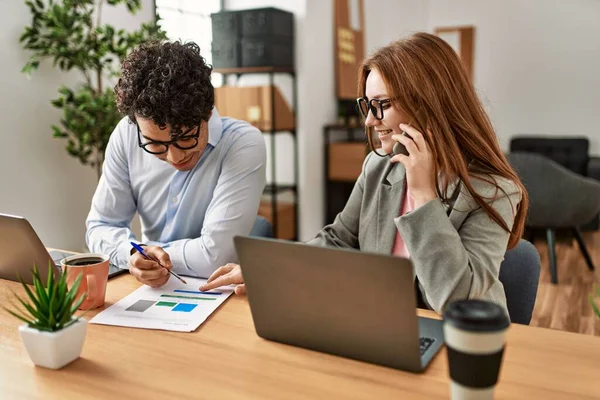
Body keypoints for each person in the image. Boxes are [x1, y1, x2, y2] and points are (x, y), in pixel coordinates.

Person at [200, 32, 529, 314]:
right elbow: (339, 240)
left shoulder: (494, 191)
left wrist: (425, 197)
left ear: (428, 103)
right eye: (366, 105)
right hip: (378, 325)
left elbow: (458, 302)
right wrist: (270, 269)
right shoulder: (378, 166)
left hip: (460, 344)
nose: (370, 121)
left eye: (381, 104)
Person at [86, 41, 266, 288]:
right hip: (148, 290)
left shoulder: (242, 144)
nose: (174, 157)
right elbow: (100, 225)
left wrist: (150, 253)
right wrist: (131, 254)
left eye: (185, 139)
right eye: (155, 145)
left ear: (208, 113)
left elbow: (215, 257)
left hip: (217, 292)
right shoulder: (127, 135)